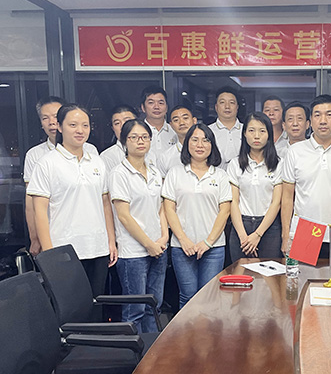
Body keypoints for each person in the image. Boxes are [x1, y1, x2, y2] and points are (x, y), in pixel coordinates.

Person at [27, 104, 117, 297]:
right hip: (64, 251)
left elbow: (105, 204)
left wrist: (111, 241)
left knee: (96, 306)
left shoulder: (96, 161)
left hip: (98, 248)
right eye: (73, 125)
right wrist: (49, 255)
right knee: (70, 309)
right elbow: (39, 212)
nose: (80, 130)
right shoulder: (47, 163)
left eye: (85, 125)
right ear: (60, 126)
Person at [281, 95, 331, 258]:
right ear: (311, 121)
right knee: (303, 274)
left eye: (329, 115)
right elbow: (287, 197)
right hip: (304, 232)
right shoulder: (295, 152)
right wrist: (285, 235)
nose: (323, 120)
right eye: (317, 115)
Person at [162, 123, 231, 308]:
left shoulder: (221, 176)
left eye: (205, 140)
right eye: (195, 140)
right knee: (187, 296)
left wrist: (208, 242)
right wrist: (183, 240)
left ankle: (208, 329)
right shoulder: (175, 173)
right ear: (187, 144)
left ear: (212, 145)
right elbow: (169, 209)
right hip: (182, 246)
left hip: (213, 247)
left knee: (209, 297)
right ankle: (187, 329)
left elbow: (224, 211)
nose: (200, 145)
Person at [109, 119, 168, 333]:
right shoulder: (119, 173)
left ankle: (153, 349)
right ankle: (133, 352)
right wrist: (148, 244)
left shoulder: (154, 172)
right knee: (135, 310)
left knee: (154, 306)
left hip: (159, 248)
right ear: (124, 142)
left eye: (144, 137)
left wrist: (163, 237)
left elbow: (161, 209)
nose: (140, 141)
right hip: (133, 252)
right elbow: (124, 216)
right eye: (133, 137)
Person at [24, 96, 98, 255]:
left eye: (55, 116)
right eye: (45, 118)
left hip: (89, 237)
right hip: (55, 235)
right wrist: (34, 238)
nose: (51, 122)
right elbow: (31, 203)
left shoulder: (91, 151)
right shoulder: (35, 156)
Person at [228, 112, 283, 262]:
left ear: (269, 135)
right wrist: (243, 236)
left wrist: (257, 234)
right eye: (251, 130)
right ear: (244, 133)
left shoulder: (279, 164)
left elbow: (276, 203)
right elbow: (234, 202)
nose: (256, 136)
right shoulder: (235, 164)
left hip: (268, 227)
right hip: (241, 225)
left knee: (268, 274)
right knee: (239, 272)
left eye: (262, 131)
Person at [157, 105, 197, 178]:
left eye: (185, 118)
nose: (181, 123)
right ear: (171, 125)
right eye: (176, 120)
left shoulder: (205, 150)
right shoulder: (165, 157)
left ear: (194, 120)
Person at [208, 87, 242, 169]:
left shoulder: (248, 130)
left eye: (232, 102)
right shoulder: (208, 131)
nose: (227, 106)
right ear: (216, 107)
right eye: (222, 102)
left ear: (237, 107)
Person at [100, 104, 138, 173]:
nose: (123, 126)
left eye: (127, 121)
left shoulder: (149, 151)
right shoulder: (107, 156)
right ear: (113, 128)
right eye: (117, 123)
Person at [140, 85, 177, 155]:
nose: (156, 107)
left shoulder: (175, 131)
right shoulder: (137, 132)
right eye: (151, 103)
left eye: (161, 103)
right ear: (143, 108)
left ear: (166, 108)